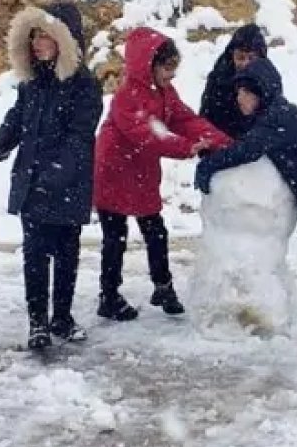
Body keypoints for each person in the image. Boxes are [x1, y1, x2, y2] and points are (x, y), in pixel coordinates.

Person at [194, 57, 297, 347]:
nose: (239, 99)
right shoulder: (274, 114)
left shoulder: (278, 117)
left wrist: (208, 166)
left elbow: (248, 150)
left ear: (261, 92)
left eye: (244, 93)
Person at [92, 28, 230, 321]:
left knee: (156, 231)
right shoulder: (126, 96)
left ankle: (163, 286)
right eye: (167, 69)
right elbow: (149, 135)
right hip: (113, 171)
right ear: (149, 65)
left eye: (174, 69)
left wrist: (221, 142)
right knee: (115, 237)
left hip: (141, 171)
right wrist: (189, 146)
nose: (171, 76)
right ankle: (109, 295)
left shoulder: (166, 93)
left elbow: (185, 120)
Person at [0, 2, 103, 351]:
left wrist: (57, 173)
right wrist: (3, 139)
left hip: (66, 185)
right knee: (35, 256)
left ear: (63, 40)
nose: (37, 42)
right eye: (34, 36)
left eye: (45, 36)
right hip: (32, 183)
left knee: (66, 254)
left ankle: (62, 318)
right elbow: (18, 115)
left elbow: (80, 136)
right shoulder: (33, 83)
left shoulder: (83, 85)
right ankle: (37, 322)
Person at [199, 24, 267, 139]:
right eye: (240, 57)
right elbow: (207, 121)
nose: (245, 63)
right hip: (224, 142)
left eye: (252, 58)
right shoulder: (219, 80)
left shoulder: (268, 79)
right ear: (232, 56)